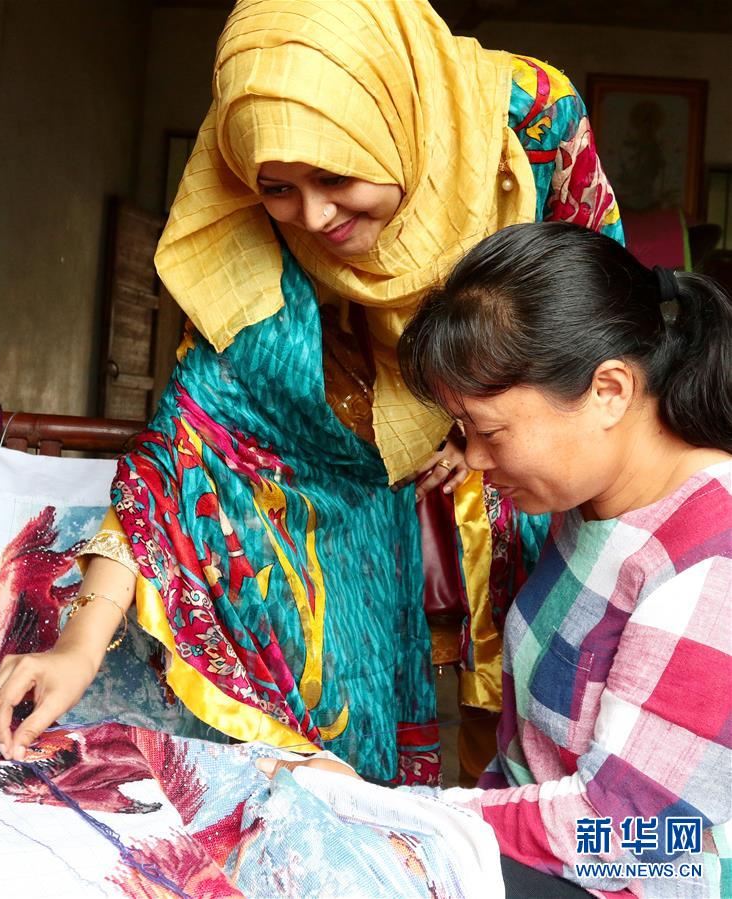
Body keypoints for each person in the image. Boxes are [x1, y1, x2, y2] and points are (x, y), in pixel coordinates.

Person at [0, 0, 623, 784]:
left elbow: (600, 333)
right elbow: (193, 434)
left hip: (533, 469)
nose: (314, 217)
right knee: (349, 768)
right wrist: (81, 640)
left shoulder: (528, 125)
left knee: (554, 739)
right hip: (354, 487)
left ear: (396, 125)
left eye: (337, 175)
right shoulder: (257, 225)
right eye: (277, 187)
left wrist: (471, 430)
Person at [259, 221, 732, 897]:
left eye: (490, 433)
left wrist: (406, 813)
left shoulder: (712, 557)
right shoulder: (591, 500)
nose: (475, 462)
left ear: (609, 391)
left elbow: (634, 832)